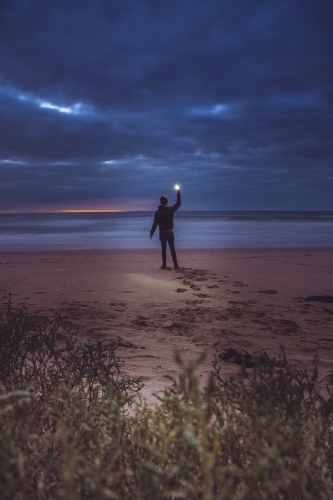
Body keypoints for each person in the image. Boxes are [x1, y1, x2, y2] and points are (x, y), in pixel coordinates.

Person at [150, 186, 181, 269]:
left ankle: (164, 265)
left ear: (160, 202)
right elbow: (178, 203)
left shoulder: (157, 212)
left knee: (164, 249)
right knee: (172, 249)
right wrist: (178, 191)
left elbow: (155, 224)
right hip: (170, 232)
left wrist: (151, 233)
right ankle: (176, 265)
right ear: (167, 201)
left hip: (163, 233)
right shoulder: (170, 210)